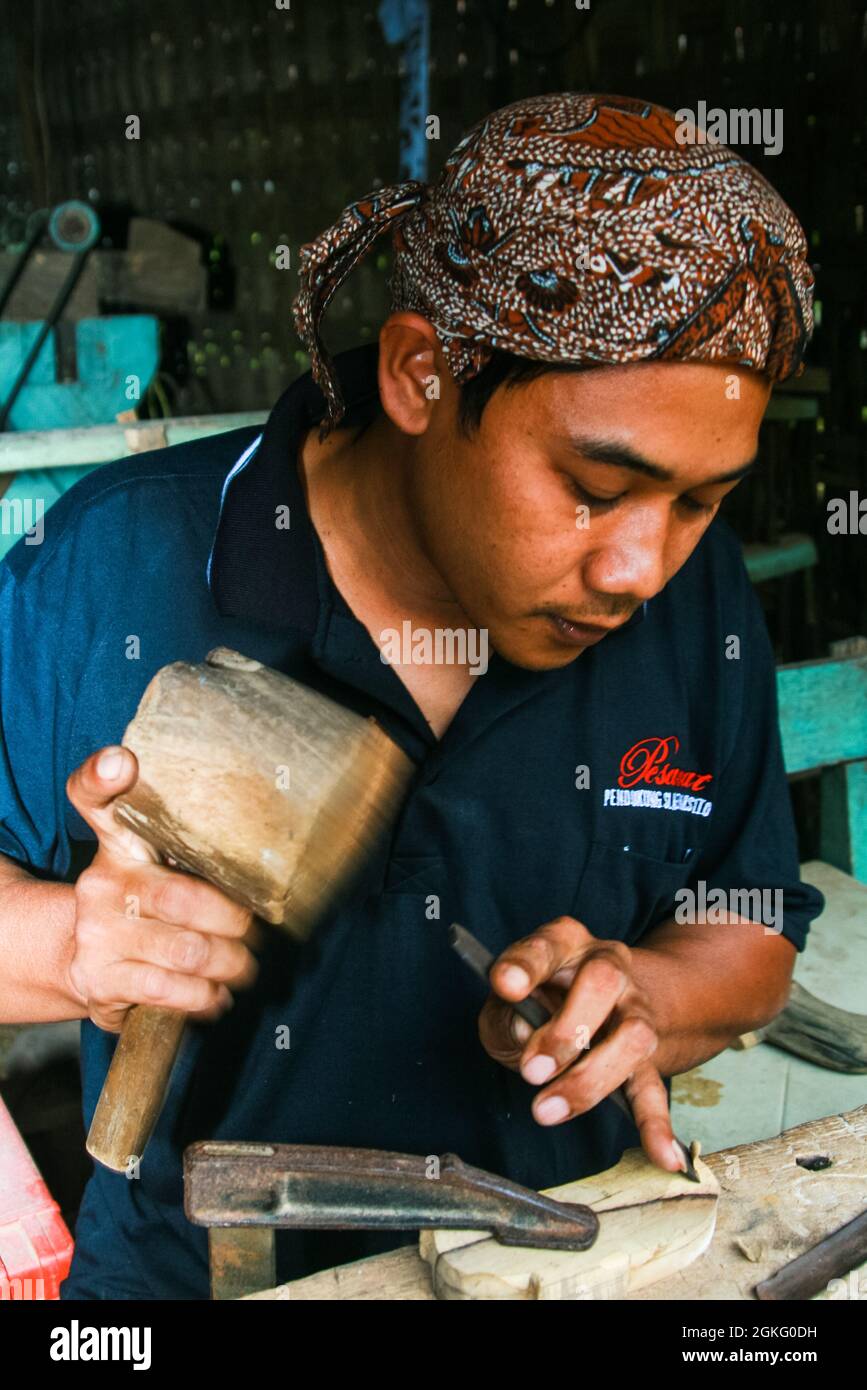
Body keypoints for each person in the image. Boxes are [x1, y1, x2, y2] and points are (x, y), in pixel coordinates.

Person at [0, 93, 823, 1300]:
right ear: (423, 372)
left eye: (701, 502)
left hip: (550, 1263)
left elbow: (750, 932)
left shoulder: (693, 608)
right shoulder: (116, 565)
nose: (641, 568)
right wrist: (75, 944)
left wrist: (643, 995)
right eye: (597, 486)